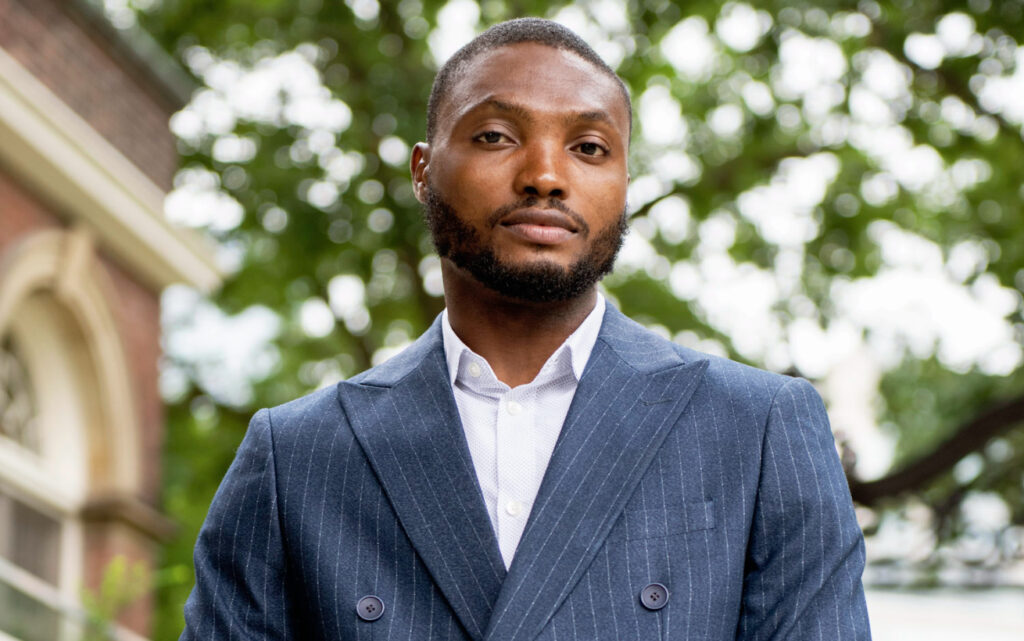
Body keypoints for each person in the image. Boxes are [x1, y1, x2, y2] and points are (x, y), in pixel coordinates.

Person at [181, 18, 871, 641]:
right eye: (495, 136)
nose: (545, 175)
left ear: (626, 183)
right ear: (424, 171)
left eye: (590, 147)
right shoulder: (297, 457)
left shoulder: (757, 430)